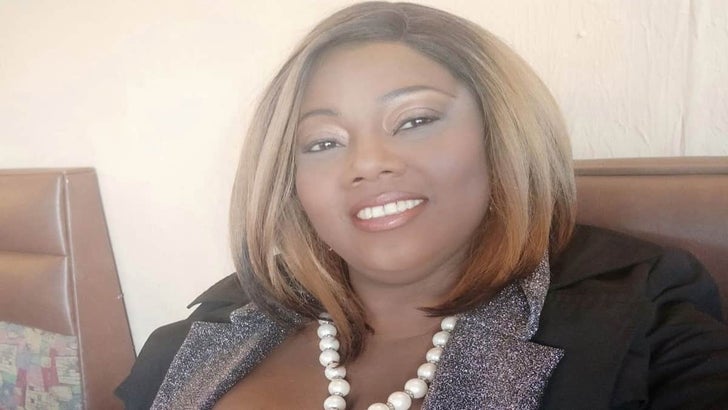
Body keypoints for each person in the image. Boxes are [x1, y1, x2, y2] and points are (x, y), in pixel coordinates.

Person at [116, 2, 728, 409]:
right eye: (323, 142)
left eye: (414, 120)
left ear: (500, 132)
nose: (367, 162)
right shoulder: (217, 323)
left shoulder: (642, 312)